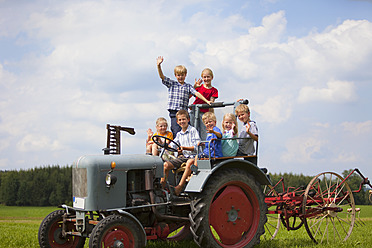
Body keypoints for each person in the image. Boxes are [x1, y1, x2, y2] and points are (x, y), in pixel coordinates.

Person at [157, 56, 211, 137]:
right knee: (176, 131)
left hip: (184, 112)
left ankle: (188, 147)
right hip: (174, 112)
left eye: (182, 75)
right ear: (175, 75)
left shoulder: (188, 86)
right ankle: (178, 148)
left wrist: (207, 101)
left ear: (185, 75)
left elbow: (196, 93)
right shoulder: (172, 84)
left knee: (188, 130)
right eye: (178, 75)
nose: (180, 77)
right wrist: (158, 65)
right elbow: (162, 77)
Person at [160, 109, 200, 196]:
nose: (182, 121)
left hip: (192, 157)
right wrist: (165, 145)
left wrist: (184, 148)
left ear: (188, 120)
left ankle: (179, 187)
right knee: (165, 165)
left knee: (189, 162)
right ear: (177, 122)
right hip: (183, 158)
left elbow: (197, 147)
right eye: (180, 120)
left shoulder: (193, 131)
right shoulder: (179, 134)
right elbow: (173, 145)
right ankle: (162, 188)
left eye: (184, 119)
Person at [190, 68, 218, 141]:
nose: (206, 79)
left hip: (204, 113)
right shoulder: (199, 87)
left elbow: (211, 101)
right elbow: (189, 96)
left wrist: (210, 102)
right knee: (193, 129)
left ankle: (204, 149)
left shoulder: (214, 90)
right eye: (204, 77)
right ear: (202, 78)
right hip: (194, 111)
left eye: (208, 77)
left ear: (212, 77)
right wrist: (194, 87)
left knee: (203, 131)